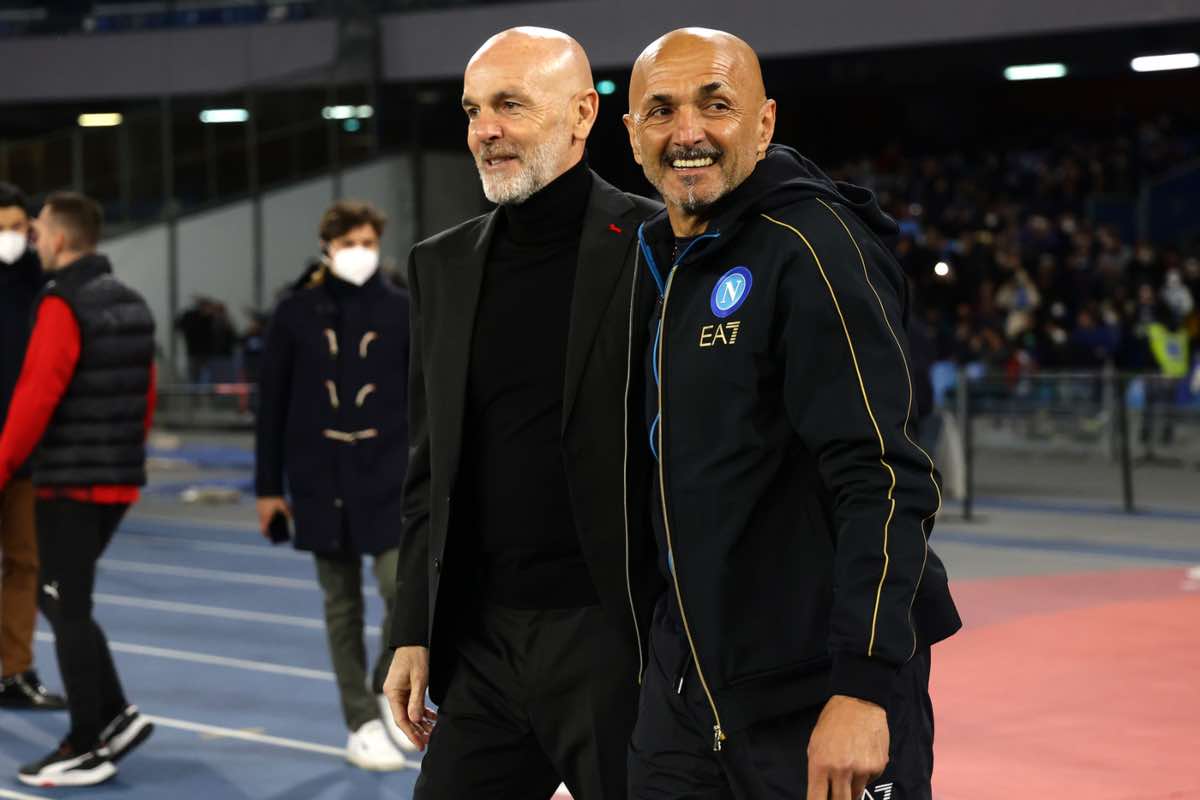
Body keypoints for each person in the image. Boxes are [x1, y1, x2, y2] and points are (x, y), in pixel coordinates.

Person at [621, 29, 961, 800]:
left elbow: (884, 475)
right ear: (633, 134)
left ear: (764, 122)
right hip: (692, 688)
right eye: (662, 111)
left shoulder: (812, 246)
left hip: (816, 688)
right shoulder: (665, 260)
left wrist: (864, 687)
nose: (687, 132)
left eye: (715, 105)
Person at [382, 27, 663, 800]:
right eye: (473, 110)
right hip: (483, 643)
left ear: (582, 114)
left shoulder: (660, 246)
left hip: (613, 641)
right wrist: (412, 628)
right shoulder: (439, 265)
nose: (486, 130)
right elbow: (430, 471)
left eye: (510, 105)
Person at [0, 192, 156, 787]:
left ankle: (86, 743)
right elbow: (145, 395)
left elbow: (35, 397)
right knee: (63, 598)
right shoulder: (131, 301)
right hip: (117, 479)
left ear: (60, 239)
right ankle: (115, 715)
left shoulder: (61, 303)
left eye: (38, 230)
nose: (33, 240)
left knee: (64, 603)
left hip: (70, 480)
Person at [254, 200, 415, 770]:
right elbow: (271, 405)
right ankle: (360, 720)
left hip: (389, 474)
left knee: (402, 590)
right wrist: (267, 488)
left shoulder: (402, 307)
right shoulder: (294, 312)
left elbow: (424, 396)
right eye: (349, 244)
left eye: (368, 243)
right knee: (341, 605)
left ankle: (383, 688)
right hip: (319, 478)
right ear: (327, 248)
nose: (359, 254)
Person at [0, 182, 66, 712]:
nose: (10, 237)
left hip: (26, 451)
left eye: (18, 227)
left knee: (26, 563)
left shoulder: (45, 284)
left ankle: (14, 671)